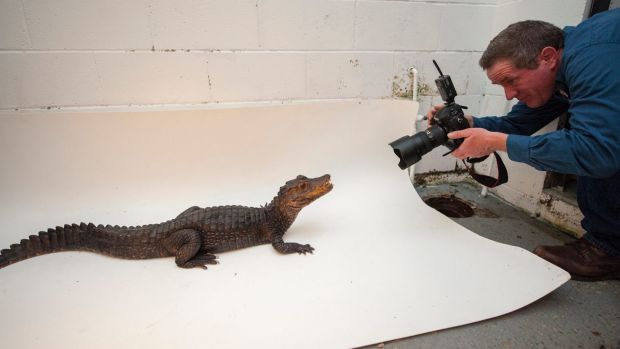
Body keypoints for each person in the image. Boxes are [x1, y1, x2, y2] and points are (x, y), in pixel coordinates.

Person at [427, 9, 620, 281]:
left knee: (598, 141)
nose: (509, 94)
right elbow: (518, 124)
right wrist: (469, 123)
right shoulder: (564, 67)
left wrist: (496, 142)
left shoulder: (594, 57)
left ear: (548, 57)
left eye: (511, 80)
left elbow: (597, 151)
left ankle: (609, 249)